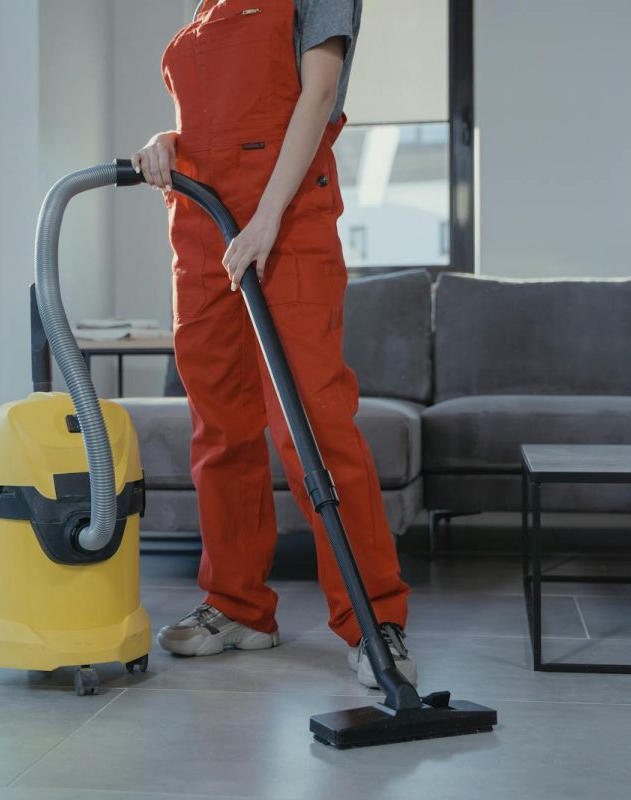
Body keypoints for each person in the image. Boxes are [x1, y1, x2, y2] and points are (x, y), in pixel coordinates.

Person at [131, 0, 415, 689]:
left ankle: (375, 620)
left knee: (314, 424)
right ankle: (238, 607)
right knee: (220, 429)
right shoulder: (206, 7)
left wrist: (265, 220)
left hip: (286, 225)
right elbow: (209, 123)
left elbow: (318, 92)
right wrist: (165, 143)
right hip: (202, 230)